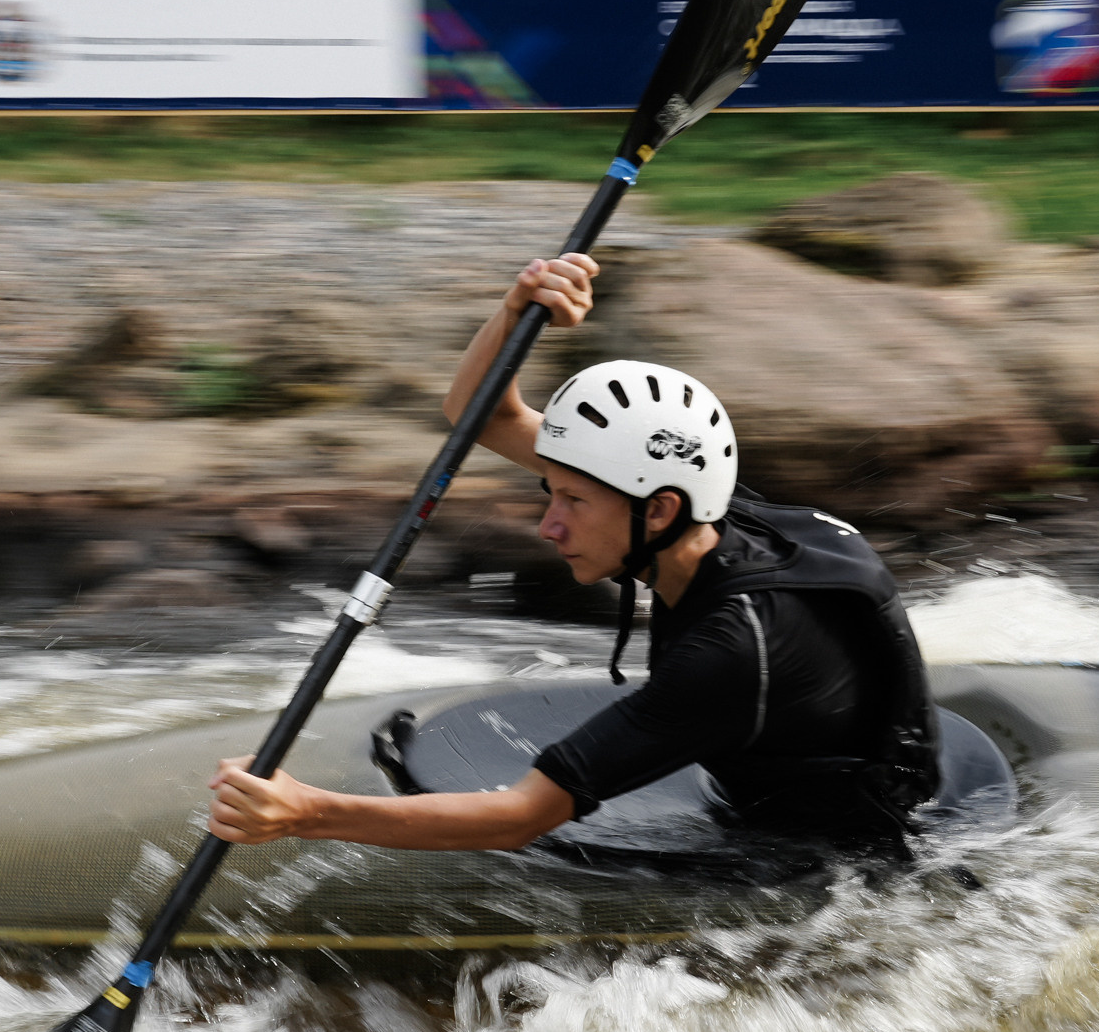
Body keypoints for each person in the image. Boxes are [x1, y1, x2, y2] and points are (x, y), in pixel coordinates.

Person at [206, 251, 940, 862]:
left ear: (659, 510)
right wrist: (518, 308)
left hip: (833, 854)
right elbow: (480, 416)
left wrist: (302, 813)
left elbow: (520, 817)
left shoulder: (729, 651)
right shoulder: (706, 505)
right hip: (799, 742)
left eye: (573, 504)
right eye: (549, 493)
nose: (548, 527)